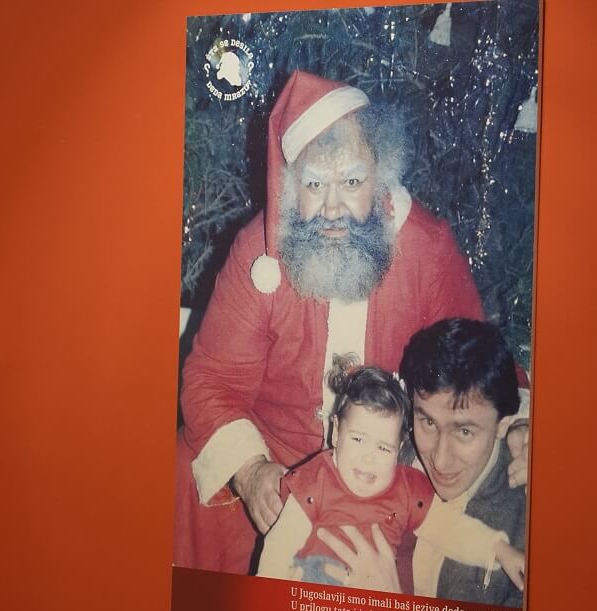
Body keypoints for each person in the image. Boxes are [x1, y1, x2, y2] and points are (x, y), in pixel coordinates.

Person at [175, 69, 511, 574]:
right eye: (314, 183)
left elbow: (475, 365)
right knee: (183, 469)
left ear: (381, 177)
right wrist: (251, 472)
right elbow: (209, 381)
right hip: (275, 464)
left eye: (351, 180)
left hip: (386, 475)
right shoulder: (257, 254)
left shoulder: (427, 248)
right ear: (290, 188)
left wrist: (522, 423)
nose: (333, 207)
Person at [256, 358, 522, 593]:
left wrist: (497, 548)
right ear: (336, 432)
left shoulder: (406, 490)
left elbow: (449, 529)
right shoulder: (316, 481)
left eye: (383, 447)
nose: (369, 458)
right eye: (358, 439)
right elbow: (279, 548)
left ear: (399, 449)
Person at [317, 318, 528, 607]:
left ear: (504, 425)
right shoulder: (382, 460)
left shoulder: (527, 526)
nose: (440, 459)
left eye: (464, 432)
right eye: (427, 421)